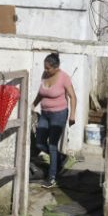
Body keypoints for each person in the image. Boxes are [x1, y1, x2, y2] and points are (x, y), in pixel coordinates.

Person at [31, 52, 77, 188]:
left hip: (59, 114)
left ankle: (52, 178)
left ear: (56, 67)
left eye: (48, 68)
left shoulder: (64, 78)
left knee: (52, 145)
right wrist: (33, 105)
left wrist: (72, 116)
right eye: (45, 68)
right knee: (39, 143)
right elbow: (41, 93)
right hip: (45, 114)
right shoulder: (45, 76)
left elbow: (73, 97)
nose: (45, 71)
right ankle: (61, 158)